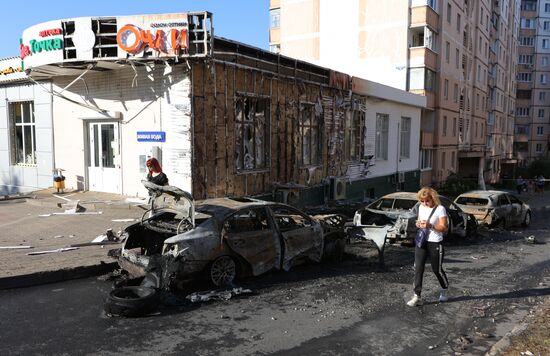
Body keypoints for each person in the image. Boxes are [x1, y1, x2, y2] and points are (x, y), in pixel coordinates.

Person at [407, 187, 449, 307]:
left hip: (435, 242)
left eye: (427, 201)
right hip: (422, 241)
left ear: (433, 199)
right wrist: (418, 223)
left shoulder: (440, 209)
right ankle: (417, 296)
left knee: (437, 269)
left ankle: (444, 288)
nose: (424, 203)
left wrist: (430, 225)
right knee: (418, 268)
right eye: (422, 201)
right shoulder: (421, 207)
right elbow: (420, 221)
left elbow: (443, 227)